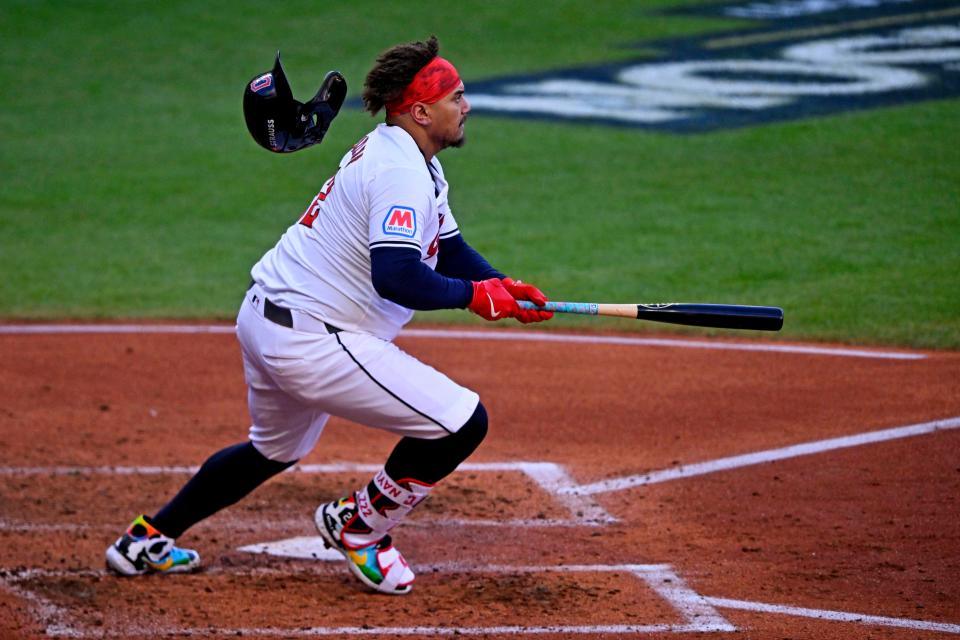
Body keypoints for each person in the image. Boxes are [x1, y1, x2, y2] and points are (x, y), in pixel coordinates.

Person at [105, 35, 552, 595]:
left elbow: (450, 244)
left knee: (273, 449)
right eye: (456, 97)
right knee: (462, 423)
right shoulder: (400, 175)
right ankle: (359, 525)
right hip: (314, 340)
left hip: (266, 316)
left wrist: (498, 284)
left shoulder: (403, 154)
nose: (466, 106)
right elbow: (397, 276)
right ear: (420, 110)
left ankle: (147, 537)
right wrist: (473, 297)